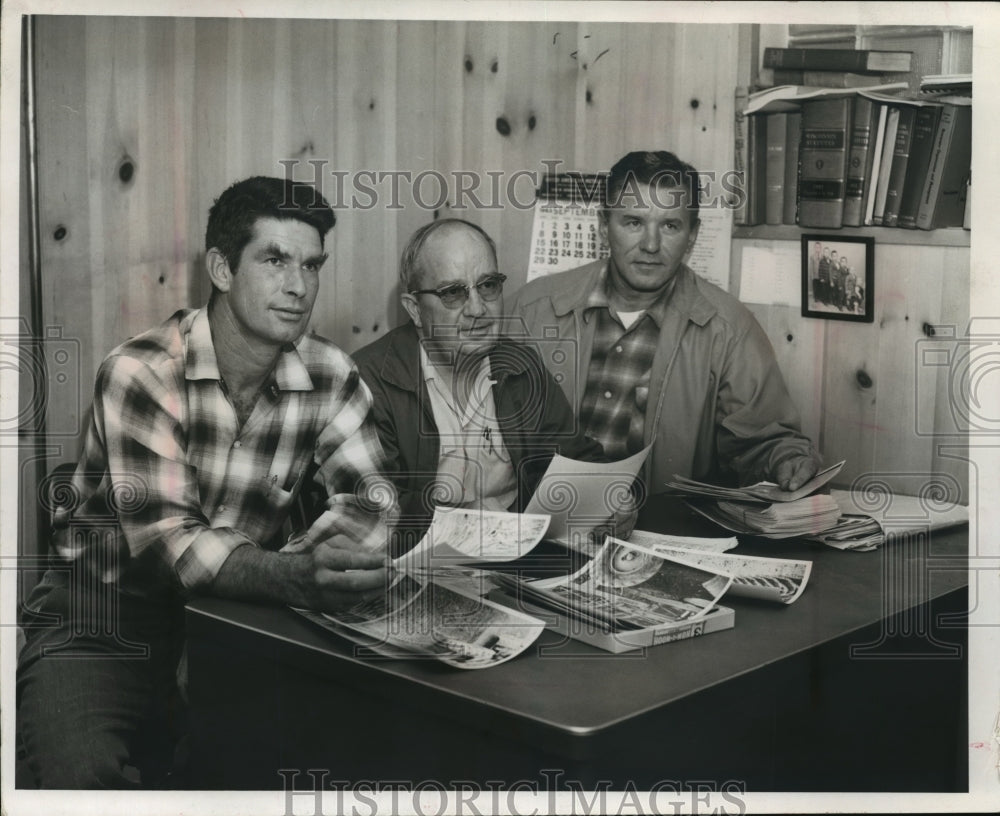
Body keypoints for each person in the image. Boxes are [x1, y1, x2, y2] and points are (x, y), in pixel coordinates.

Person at [16, 176, 396, 789]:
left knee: (291, 768)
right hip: (102, 618)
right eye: (274, 260)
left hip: (239, 611)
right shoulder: (141, 372)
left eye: (311, 264)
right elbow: (173, 544)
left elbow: (372, 502)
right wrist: (295, 575)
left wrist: (298, 574)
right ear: (221, 268)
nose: (299, 287)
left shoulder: (332, 374)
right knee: (81, 777)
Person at [510, 150, 821, 493]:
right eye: (633, 222)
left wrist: (784, 459)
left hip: (661, 526)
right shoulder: (532, 309)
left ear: (692, 236)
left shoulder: (729, 329)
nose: (651, 245)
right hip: (547, 522)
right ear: (603, 226)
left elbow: (763, 440)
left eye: (670, 226)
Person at [353, 218, 626, 549]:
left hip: (518, 563)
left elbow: (572, 459)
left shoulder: (522, 367)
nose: (478, 309)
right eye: (453, 292)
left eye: (488, 286)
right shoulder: (368, 383)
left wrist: (608, 497)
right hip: (421, 565)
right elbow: (371, 513)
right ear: (414, 309)